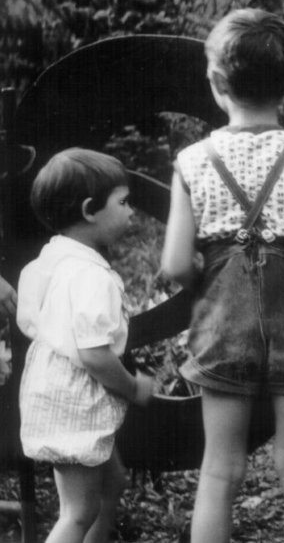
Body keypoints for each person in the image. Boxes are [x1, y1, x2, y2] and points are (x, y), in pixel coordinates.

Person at [160, 8, 284, 543]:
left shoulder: (193, 161)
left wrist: (208, 281)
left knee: (219, 469)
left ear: (216, 82)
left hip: (223, 324)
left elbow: (174, 263)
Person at [18, 148, 155, 543]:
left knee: (112, 482)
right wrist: (133, 387)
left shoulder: (47, 261)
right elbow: (94, 356)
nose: (131, 212)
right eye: (123, 202)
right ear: (89, 210)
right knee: (78, 512)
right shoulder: (90, 277)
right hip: (74, 399)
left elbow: (32, 322)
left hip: (52, 386)